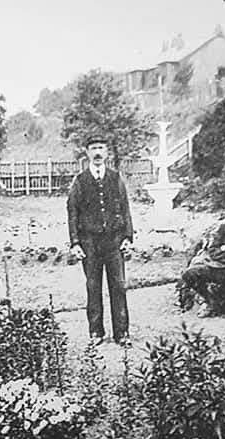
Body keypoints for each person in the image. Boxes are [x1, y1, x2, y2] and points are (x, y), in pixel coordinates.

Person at [67, 135, 134, 346]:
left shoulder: (116, 178)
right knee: (93, 287)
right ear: (87, 153)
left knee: (119, 287)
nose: (97, 153)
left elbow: (125, 208)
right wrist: (75, 243)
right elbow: (72, 212)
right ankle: (96, 333)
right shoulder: (80, 181)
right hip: (90, 243)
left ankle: (121, 333)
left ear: (106, 153)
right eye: (93, 148)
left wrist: (128, 237)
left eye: (101, 148)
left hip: (114, 241)